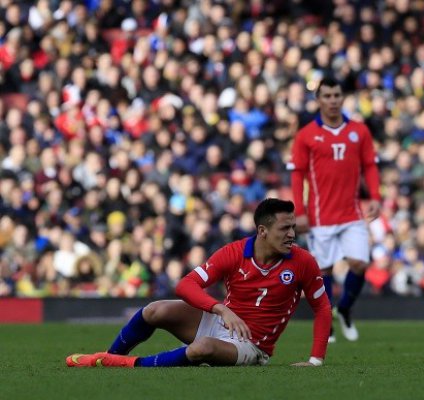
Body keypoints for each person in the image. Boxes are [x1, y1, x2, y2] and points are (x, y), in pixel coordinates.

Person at [66, 198, 332, 367]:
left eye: (293, 227)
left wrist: (315, 360)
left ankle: (129, 364)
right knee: (154, 310)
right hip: (220, 321)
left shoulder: (303, 261)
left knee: (201, 348)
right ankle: (108, 357)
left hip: (252, 344)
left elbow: (322, 307)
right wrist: (220, 309)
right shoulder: (235, 252)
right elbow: (185, 285)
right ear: (262, 231)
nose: (292, 234)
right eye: (284, 229)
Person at [287, 77, 381, 342]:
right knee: (324, 271)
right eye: (326, 96)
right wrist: (300, 212)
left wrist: (374, 195)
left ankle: (345, 309)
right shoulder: (306, 135)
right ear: (318, 100)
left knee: (360, 264)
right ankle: (326, 322)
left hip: (352, 214)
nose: (332, 100)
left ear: (343, 97)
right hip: (320, 217)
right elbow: (297, 175)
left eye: (336, 95)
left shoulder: (359, 131)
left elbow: (370, 166)